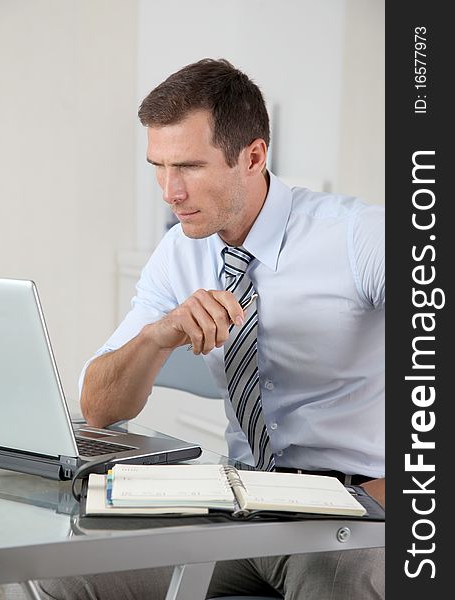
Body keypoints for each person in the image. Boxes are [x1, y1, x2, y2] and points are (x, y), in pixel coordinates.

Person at [38, 58, 384, 599]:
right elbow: (100, 406)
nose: (169, 192)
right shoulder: (178, 252)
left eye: (190, 167)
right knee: (61, 575)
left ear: (253, 156)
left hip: (352, 508)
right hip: (237, 503)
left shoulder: (358, 237)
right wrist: (160, 334)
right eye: (158, 166)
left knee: (342, 579)